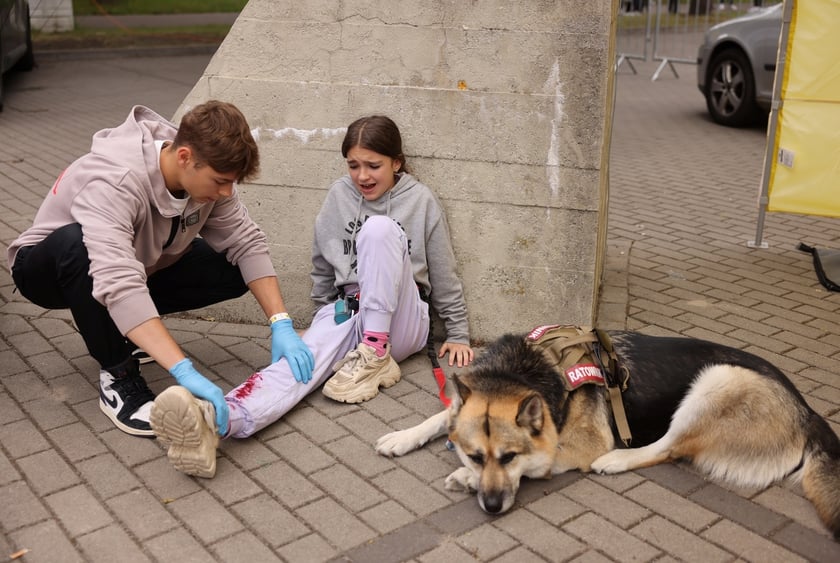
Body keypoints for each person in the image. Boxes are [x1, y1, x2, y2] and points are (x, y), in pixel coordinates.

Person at [150, 114, 474, 477]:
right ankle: (218, 421)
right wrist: (322, 319)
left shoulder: (420, 200)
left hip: (403, 319)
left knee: (379, 229)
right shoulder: (339, 195)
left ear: (396, 163)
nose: (362, 176)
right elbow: (322, 262)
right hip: (351, 311)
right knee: (296, 364)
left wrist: (458, 332)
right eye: (353, 165)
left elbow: (443, 270)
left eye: (373, 166)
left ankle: (376, 352)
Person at [7, 101, 314, 439]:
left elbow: (246, 242)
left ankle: (127, 331)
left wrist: (281, 323)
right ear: (184, 157)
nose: (227, 192)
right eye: (220, 181)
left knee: (232, 266)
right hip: (47, 271)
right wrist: (183, 369)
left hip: (135, 265)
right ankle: (119, 377)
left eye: (232, 182)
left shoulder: (207, 171)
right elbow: (118, 280)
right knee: (77, 245)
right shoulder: (114, 181)